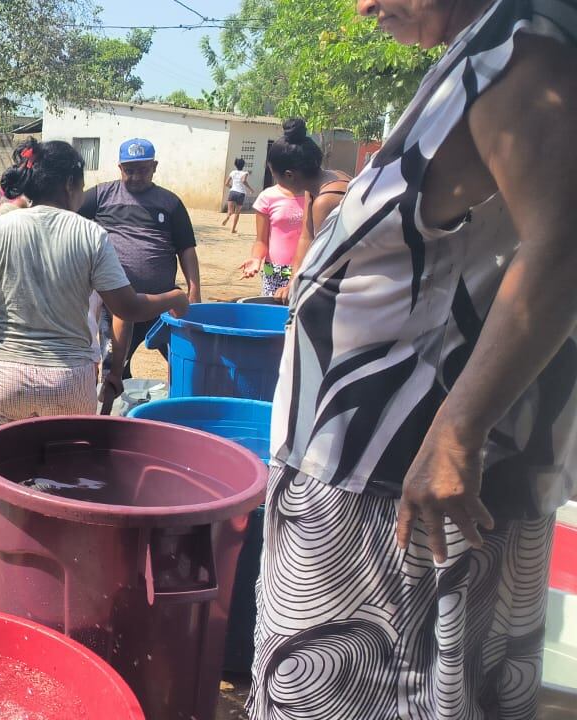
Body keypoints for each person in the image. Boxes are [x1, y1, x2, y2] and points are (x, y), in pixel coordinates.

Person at [249, 0, 577, 717]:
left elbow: (565, 248)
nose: (364, 6)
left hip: (398, 490)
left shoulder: (523, 59)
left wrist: (457, 435)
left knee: (358, 695)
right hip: (366, 474)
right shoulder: (483, 57)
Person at [0, 139, 189, 427]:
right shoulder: (90, 234)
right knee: (63, 468)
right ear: (69, 184)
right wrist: (175, 297)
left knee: (6, 467)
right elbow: (127, 308)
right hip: (66, 384)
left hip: (4, 381)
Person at [78, 138, 202, 388]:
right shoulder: (101, 196)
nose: (136, 176)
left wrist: (194, 291)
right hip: (116, 304)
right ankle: (114, 418)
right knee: (114, 368)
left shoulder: (170, 203)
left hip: (162, 304)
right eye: (129, 170)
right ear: (120, 168)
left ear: (154, 166)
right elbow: (67, 220)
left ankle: (178, 408)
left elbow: (186, 249)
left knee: (185, 363)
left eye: (143, 170)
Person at [268, 119, 351, 303]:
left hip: (345, 289)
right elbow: (306, 237)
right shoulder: (315, 186)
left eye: (275, 176)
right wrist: (292, 283)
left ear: (289, 175)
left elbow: (326, 260)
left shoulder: (326, 200)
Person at [239, 141, 307, 297]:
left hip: (306, 274)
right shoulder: (267, 197)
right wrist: (256, 258)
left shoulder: (316, 198)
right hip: (275, 275)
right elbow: (261, 240)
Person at [221, 157, 255, 233]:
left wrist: (232, 187)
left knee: (230, 211)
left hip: (232, 192)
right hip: (241, 193)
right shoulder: (245, 173)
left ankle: (227, 217)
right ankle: (233, 229)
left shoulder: (232, 172)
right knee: (237, 212)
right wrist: (250, 189)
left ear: (235, 165)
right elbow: (243, 181)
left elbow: (226, 183)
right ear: (243, 165)